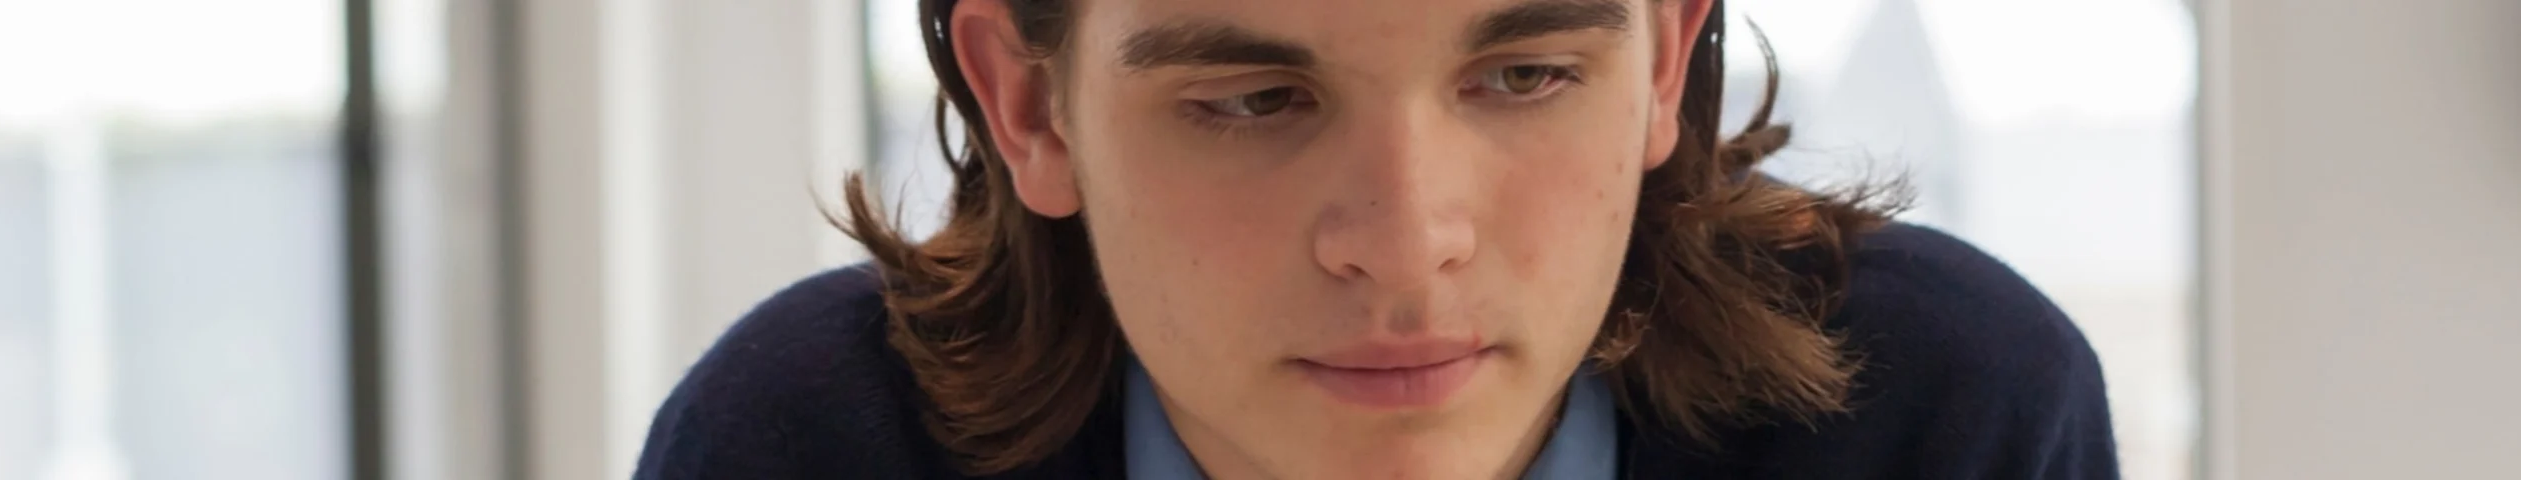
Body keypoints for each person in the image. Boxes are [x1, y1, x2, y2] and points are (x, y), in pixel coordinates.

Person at [634, 0, 2120, 478]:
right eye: (1253, 100)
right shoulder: (807, 448)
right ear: (1032, 105)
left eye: (1526, 77)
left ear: (1664, 62)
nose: (1408, 250)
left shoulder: (1951, 418)